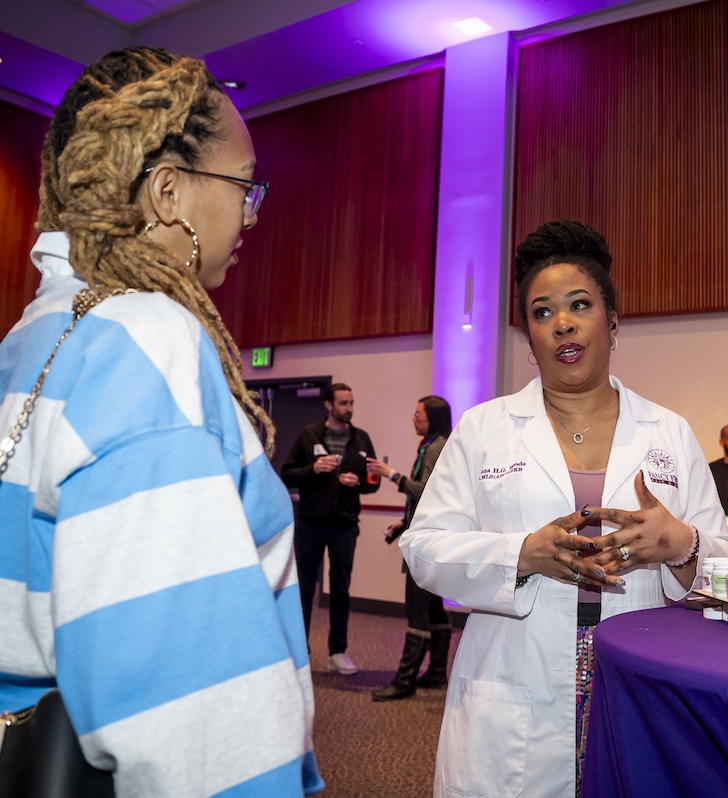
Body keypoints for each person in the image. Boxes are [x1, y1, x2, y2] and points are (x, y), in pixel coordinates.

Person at [0, 47, 322, 795]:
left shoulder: (30, 335)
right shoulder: (150, 339)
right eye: (245, 185)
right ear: (170, 192)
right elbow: (193, 721)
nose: (250, 213)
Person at [400, 219, 728, 797]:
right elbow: (424, 548)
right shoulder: (487, 428)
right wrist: (520, 554)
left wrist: (681, 546)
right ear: (530, 338)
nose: (561, 323)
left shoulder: (669, 433)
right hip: (513, 681)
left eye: (578, 304)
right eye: (541, 312)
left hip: (639, 678)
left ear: (611, 320)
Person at [282, 383, 379, 675]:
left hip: (344, 525)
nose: (349, 408)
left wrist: (359, 484)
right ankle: (299, 653)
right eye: (343, 403)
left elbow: (374, 481)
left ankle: (338, 652)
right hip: (310, 523)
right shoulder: (308, 435)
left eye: (351, 403)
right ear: (328, 405)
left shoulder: (361, 438)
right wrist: (313, 469)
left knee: (340, 589)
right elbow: (287, 474)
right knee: (303, 589)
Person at [365, 396, 453, 701]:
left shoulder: (436, 447)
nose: (413, 419)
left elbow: (426, 491)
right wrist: (403, 524)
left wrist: (391, 475)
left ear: (433, 418)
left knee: (417, 612)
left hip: (428, 542)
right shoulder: (431, 445)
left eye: (418, 415)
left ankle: (404, 681)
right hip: (426, 534)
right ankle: (437, 673)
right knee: (432, 610)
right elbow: (425, 501)